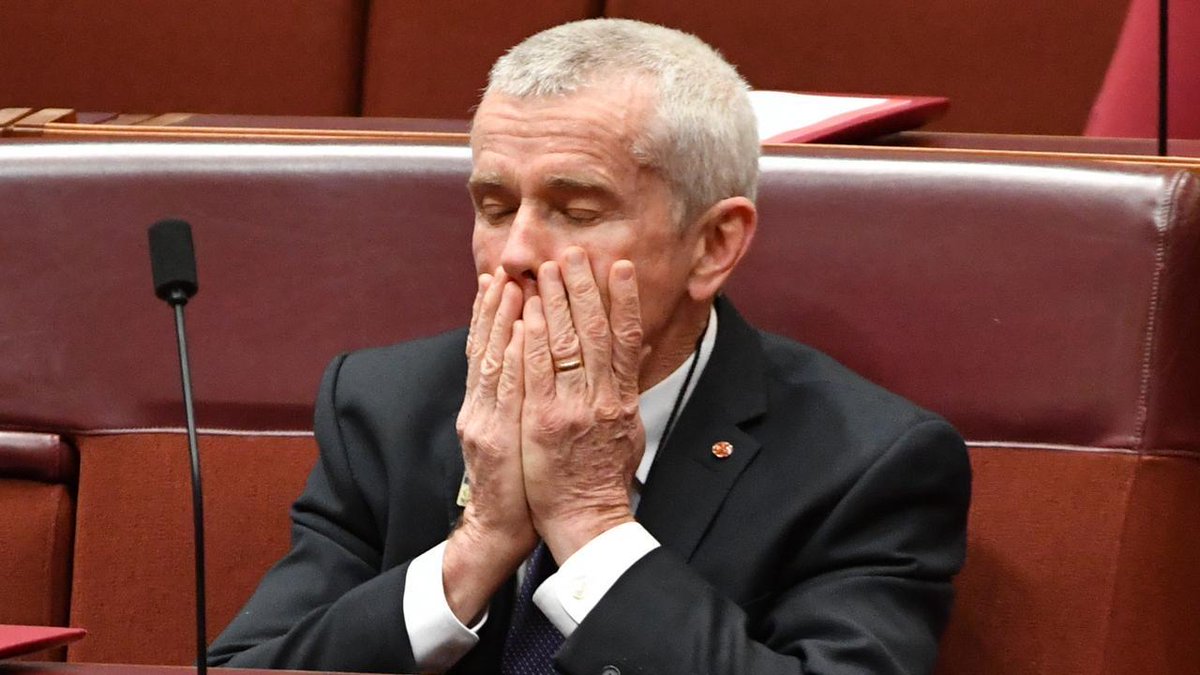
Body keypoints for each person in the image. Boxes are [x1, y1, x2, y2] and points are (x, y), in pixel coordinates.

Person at [207, 18, 970, 675]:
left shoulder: (866, 464)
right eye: (494, 206)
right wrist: (477, 548)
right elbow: (249, 664)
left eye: (576, 211)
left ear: (713, 244)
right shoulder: (386, 407)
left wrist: (590, 523)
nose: (515, 252)